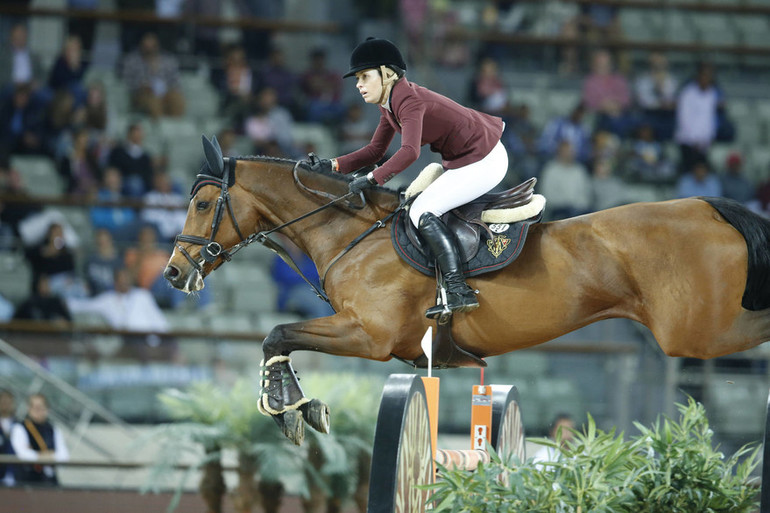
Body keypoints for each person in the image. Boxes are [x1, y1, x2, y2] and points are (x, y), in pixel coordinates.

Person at [304, 38, 508, 314]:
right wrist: (333, 165)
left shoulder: (408, 99)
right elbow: (376, 149)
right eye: (358, 78)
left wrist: (373, 179)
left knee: (422, 210)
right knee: (418, 207)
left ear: (387, 74)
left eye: (364, 76)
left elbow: (410, 152)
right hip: (465, 159)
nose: (358, 84)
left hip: (485, 159)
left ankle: (459, 290)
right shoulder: (389, 103)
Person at [66, 267, 169, 333]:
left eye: (126, 279)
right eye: (121, 279)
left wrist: (168, 341)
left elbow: (158, 319)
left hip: (151, 339)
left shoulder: (142, 295)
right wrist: (64, 302)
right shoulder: (108, 299)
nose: (125, 282)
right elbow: (84, 306)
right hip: (128, 341)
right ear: (115, 283)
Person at [121, 32, 185, 119]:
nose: (149, 49)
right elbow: (127, 82)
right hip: (143, 94)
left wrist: (167, 89)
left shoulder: (168, 61)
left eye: (152, 46)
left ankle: (174, 127)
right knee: (154, 102)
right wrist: (142, 86)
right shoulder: (132, 61)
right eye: (146, 47)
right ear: (141, 46)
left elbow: (176, 81)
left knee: (177, 99)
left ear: (157, 46)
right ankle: (159, 127)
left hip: (165, 92)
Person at [10, 393, 70, 485]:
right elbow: (22, 454)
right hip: (27, 480)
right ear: (29, 409)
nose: (38, 411)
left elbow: (64, 456)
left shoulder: (53, 429)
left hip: (50, 480)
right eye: (35, 407)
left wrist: (45, 456)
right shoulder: (20, 427)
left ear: (47, 409)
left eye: (41, 407)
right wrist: (43, 456)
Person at [675, 62, 722, 174]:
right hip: (688, 141)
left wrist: (707, 139)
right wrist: (694, 140)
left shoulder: (712, 94)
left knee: (704, 173)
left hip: (704, 143)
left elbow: (709, 120)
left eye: (709, 76)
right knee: (688, 172)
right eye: (704, 76)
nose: (706, 79)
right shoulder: (687, 93)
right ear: (698, 76)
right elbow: (684, 119)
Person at [539, 140, 592, 220]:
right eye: (566, 151)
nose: (569, 154)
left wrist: (579, 206)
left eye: (571, 151)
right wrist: (568, 204)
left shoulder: (580, 170)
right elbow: (547, 195)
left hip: (579, 210)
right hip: (558, 211)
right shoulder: (551, 170)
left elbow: (586, 194)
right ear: (559, 152)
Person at [107, 123, 155, 197]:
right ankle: (134, 208)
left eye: (140, 132)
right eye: (136, 132)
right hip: (123, 182)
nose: (138, 135)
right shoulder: (119, 151)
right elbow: (114, 168)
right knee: (135, 183)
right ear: (129, 134)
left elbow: (148, 174)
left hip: (141, 183)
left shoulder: (145, 156)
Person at [0, 389, 17, 486]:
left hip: (15, 474)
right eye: (2, 401)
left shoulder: (21, 425)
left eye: (8, 401)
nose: (5, 404)